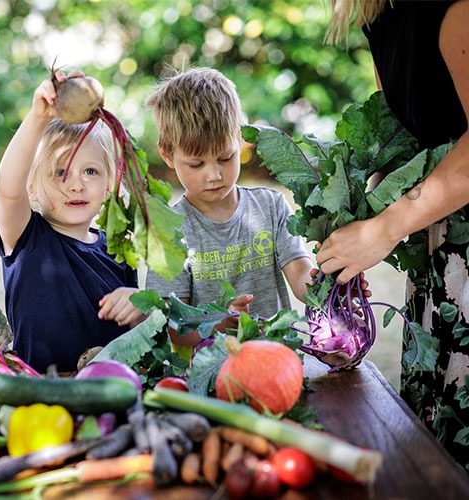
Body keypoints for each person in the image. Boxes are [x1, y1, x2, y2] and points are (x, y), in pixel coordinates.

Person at [321, 0, 469, 467]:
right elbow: (410, 140)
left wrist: (385, 228)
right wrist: (357, 226)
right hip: (438, 244)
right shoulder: (378, 16)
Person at [144, 67, 315, 349]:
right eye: (196, 164)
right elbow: (170, 328)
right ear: (167, 155)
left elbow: (301, 276)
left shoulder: (271, 207)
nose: (214, 175)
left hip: (276, 360)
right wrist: (221, 322)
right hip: (208, 375)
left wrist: (330, 287)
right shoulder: (168, 230)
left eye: (225, 158)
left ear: (239, 139)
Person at [0, 71, 146, 373]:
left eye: (90, 172)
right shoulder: (28, 238)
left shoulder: (118, 249)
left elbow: (135, 328)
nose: (76, 185)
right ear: (32, 187)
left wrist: (141, 305)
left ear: (109, 185)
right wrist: (39, 118)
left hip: (108, 389)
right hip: (38, 391)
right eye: (60, 173)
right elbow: (8, 189)